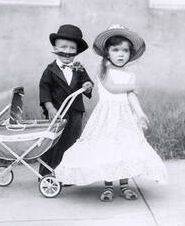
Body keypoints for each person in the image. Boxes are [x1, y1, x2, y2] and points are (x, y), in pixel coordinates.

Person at [55, 24, 168, 201]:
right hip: (106, 116)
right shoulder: (104, 70)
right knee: (106, 148)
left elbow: (131, 97)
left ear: (130, 54)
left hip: (124, 117)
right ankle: (108, 186)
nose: (121, 54)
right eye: (116, 50)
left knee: (123, 149)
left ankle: (124, 185)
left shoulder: (130, 75)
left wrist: (140, 113)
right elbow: (111, 88)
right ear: (107, 52)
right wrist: (131, 86)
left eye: (125, 50)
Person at [38, 24, 93, 177]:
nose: (67, 52)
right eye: (63, 47)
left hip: (75, 112)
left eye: (72, 48)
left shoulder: (78, 68)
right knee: (53, 142)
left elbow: (87, 82)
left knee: (72, 142)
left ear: (77, 51)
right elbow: (44, 90)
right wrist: (49, 108)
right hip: (57, 112)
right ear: (55, 48)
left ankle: (67, 174)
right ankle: (46, 173)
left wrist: (88, 86)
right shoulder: (50, 70)